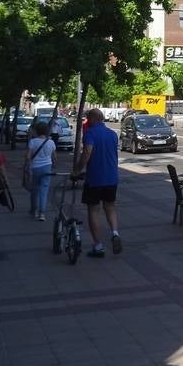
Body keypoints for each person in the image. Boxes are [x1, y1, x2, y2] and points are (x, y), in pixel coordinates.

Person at [73, 108, 121, 258]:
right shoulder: (113, 134)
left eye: (88, 119)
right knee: (110, 207)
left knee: (93, 210)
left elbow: (87, 153)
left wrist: (77, 170)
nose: (87, 122)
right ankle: (114, 233)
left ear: (93, 119)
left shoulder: (91, 133)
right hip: (112, 178)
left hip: (95, 179)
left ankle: (98, 245)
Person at [24, 121, 57, 220]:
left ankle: (33, 210)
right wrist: (54, 165)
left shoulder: (33, 142)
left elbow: (28, 156)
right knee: (44, 190)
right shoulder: (51, 142)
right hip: (47, 167)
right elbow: (55, 157)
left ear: (37, 131)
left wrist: (26, 165)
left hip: (35, 168)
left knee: (34, 190)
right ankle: (42, 213)